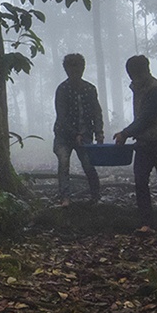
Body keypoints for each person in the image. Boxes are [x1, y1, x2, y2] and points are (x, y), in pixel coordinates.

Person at [113, 55, 157, 233]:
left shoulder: (155, 90)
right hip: (144, 144)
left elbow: (146, 118)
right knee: (140, 182)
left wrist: (125, 133)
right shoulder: (139, 88)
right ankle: (146, 224)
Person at [53, 53, 104, 203]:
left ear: (83, 69)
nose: (75, 74)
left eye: (78, 70)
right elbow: (62, 116)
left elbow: (97, 112)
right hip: (64, 135)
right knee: (63, 162)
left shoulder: (90, 89)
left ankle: (96, 195)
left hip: (85, 134)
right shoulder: (62, 89)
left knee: (88, 164)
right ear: (66, 70)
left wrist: (99, 131)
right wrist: (74, 133)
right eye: (71, 70)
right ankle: (65, 196)